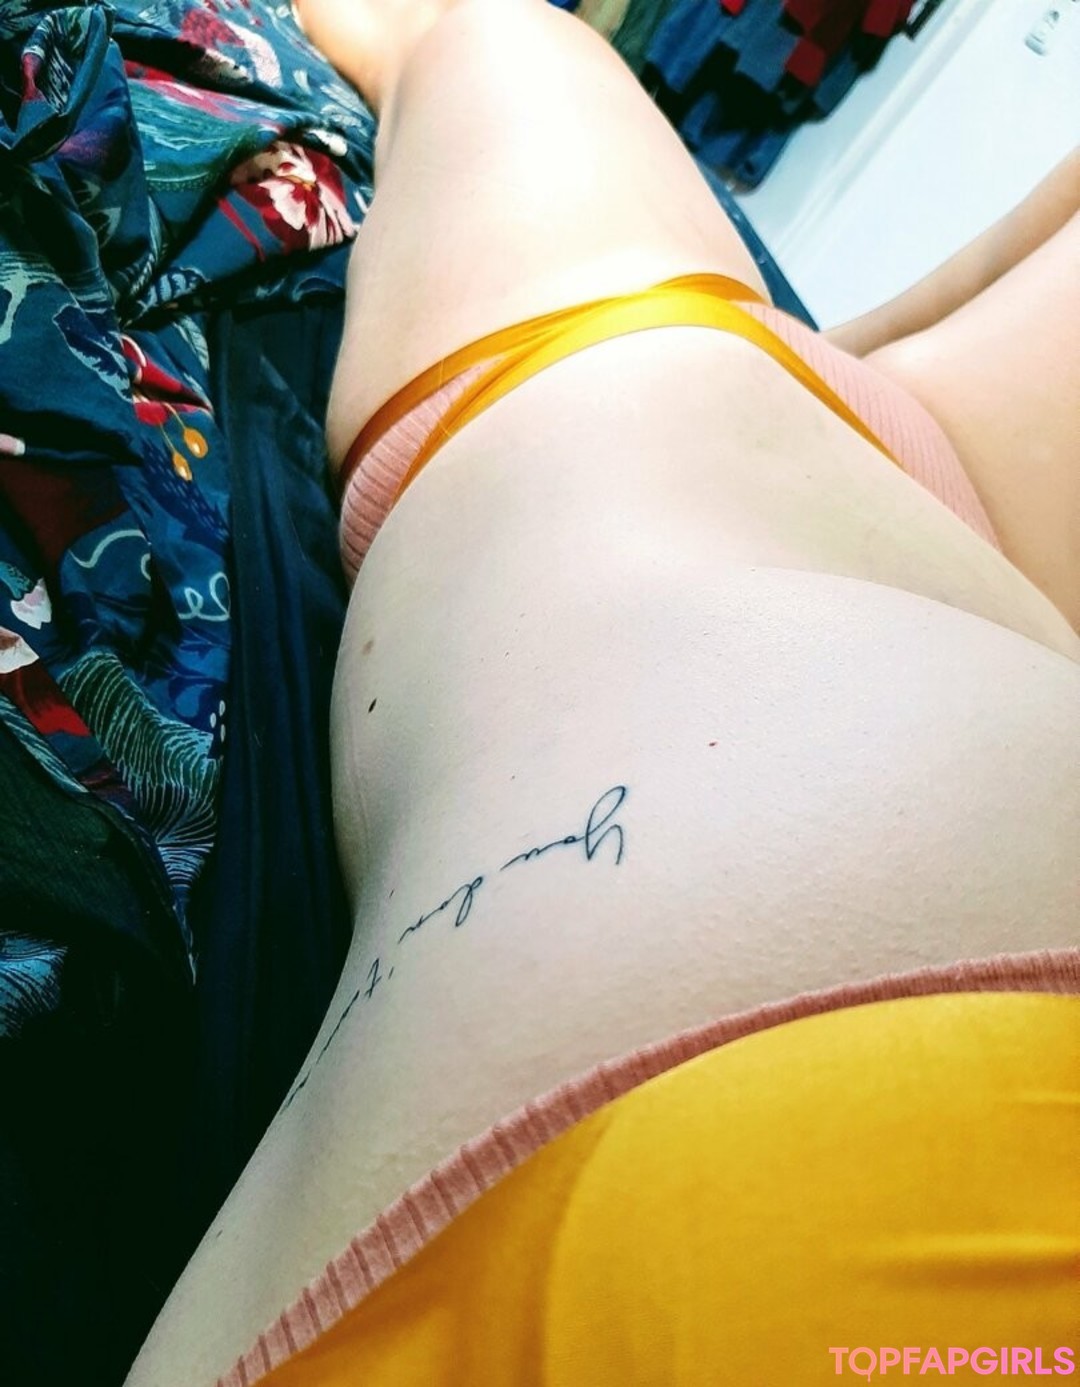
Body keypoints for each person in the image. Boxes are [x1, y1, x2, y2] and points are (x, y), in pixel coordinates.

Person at [125, 3, 1079, 1384]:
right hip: (814, 507)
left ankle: (797, 386)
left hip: (626, 427)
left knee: (464, 29)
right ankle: (804, 386)